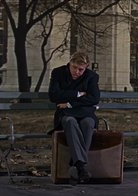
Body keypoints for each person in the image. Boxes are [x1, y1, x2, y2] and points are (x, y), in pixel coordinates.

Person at [48, 51, 100, 184]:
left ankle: (77, 162)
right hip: (65, 114)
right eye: (74, 68)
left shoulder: (91, 76)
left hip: (84, 113)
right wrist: (78, 94)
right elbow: (54, 95)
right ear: (70, 63)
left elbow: (94, 98)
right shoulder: (58, 73)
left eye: (81, 69)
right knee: (70, 122)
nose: (77, 72)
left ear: (86, 67)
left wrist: (69, 103)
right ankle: (81, 167)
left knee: (88, 123)